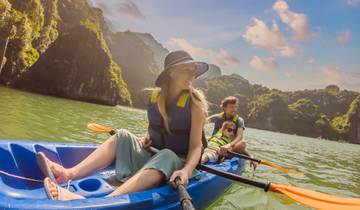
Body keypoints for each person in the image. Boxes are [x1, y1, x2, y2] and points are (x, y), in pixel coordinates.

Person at [39, 50, 209, 200]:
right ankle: (69, 174)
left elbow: (195, 147)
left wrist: (186, 171)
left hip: (179, 165)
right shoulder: (156, 98)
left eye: (194, 71)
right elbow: (158, 130)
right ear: (171, 72)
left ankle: (108, 200)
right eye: (187, 70)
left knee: (166, 154)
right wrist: (148, 138)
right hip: (155, 158)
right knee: (122, 135)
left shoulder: (195, 103)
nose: (192, 75)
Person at [207, 96, 257, 169]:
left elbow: (239, 137)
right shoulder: (217, 117)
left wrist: (228, 146)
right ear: (224, 107)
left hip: (229, 148)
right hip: (214, 145)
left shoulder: (239, 120)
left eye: (235, 107)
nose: (234, 109)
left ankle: (224, 157)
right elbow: (202, 121)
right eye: (231, 107)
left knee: (242, 144)